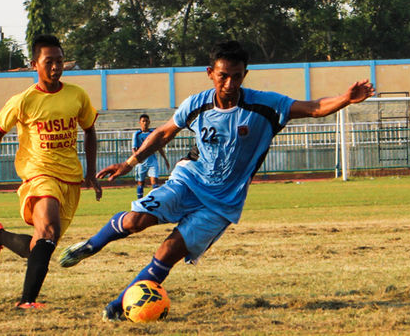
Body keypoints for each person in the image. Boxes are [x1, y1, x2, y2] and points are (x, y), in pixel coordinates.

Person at [57, 40, 374, 321]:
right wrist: (130, 162)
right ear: (211, 72)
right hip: (188, 181)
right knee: (137, 220)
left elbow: (314, 107)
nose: (230, 83)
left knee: (168, 252)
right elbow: (165, 132)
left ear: (245, 74)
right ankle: (90, 245)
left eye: (237, 76)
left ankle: (119, 304)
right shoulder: (197, 104)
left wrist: (345, 98)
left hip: (222, 203)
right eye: (223, 75)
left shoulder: (264, 106)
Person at [0, 34, 102, 309]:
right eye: (49, 62)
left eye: (59, 61)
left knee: (43, 242)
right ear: (34, 64)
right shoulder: (23, 100)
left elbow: (90, 130)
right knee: (48, 232)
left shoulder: (77, 95)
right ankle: (26, 302)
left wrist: (91, 171)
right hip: (38, 174)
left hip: (70, 178)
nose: (55, 67)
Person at [132, 114, 170, 199]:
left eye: (146, 121)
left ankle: (155, 201)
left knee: (154, 182)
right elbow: (134, 149)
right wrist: (136, 160)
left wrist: (165, 159)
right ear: (140, 123)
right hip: (141, 162)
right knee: (141, 183)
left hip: (152, 161)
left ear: (149, 122)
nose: (145, 123)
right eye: (143, 121)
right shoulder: (137, 134)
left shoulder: (153, 133)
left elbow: (159, 147)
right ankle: (140, 202)